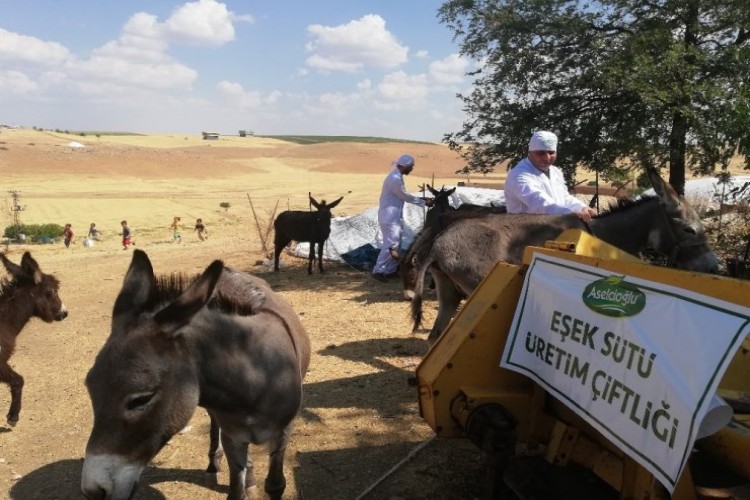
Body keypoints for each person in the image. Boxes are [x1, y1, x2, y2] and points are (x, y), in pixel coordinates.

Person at [503, 131, 597, 223]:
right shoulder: (519, 175)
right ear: (530, 152)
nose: (547, 157)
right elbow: (539, 203)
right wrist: (569, 213)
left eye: (551, 152)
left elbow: (564, 198)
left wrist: (582, 207)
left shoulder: (555, 171)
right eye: (541, 153)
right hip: (524, 232)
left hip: (554, 227)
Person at [372, 154, 431, 281]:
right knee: (391, 244)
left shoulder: (397, 176)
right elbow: (404, 196)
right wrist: (423, 201)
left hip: (394, 215)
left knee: (396, 244)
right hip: (389, 216)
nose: (412, 169)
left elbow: (403, 196)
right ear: (406, 166)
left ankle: (390, 270)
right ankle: (378, 270)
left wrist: (421, 199)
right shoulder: (395, 179)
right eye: (411, 167)